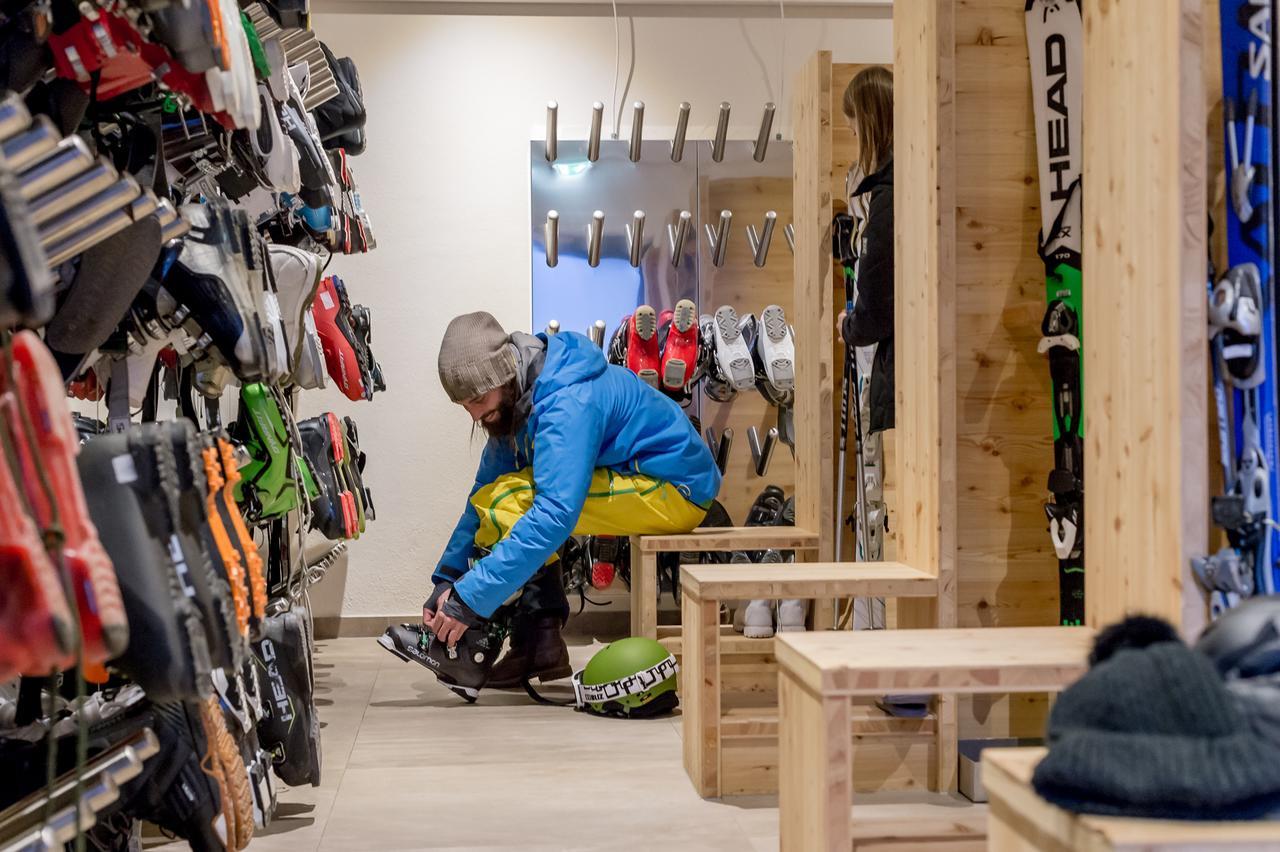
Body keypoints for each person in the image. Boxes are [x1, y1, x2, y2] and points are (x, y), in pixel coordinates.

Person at [424, 311, 722, 688]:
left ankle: (528, 635)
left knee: (512, 502)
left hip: (675, 489)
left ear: (503, 373)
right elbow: (482, 492)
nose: (476, 414)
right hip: (644, 479)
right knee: (498, 496)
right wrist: (447, 578)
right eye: (465, 405)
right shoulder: (516, 400)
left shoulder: (566, 401)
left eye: (479, 399)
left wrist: (468, 599)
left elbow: (554, 515)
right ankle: (537, 640)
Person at [838, 64, 894, 434]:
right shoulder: (895, 183)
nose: (853, 133)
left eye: (855, 124)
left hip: (897, 363)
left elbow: (877, 298)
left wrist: (849, 327)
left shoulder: (888, 194)